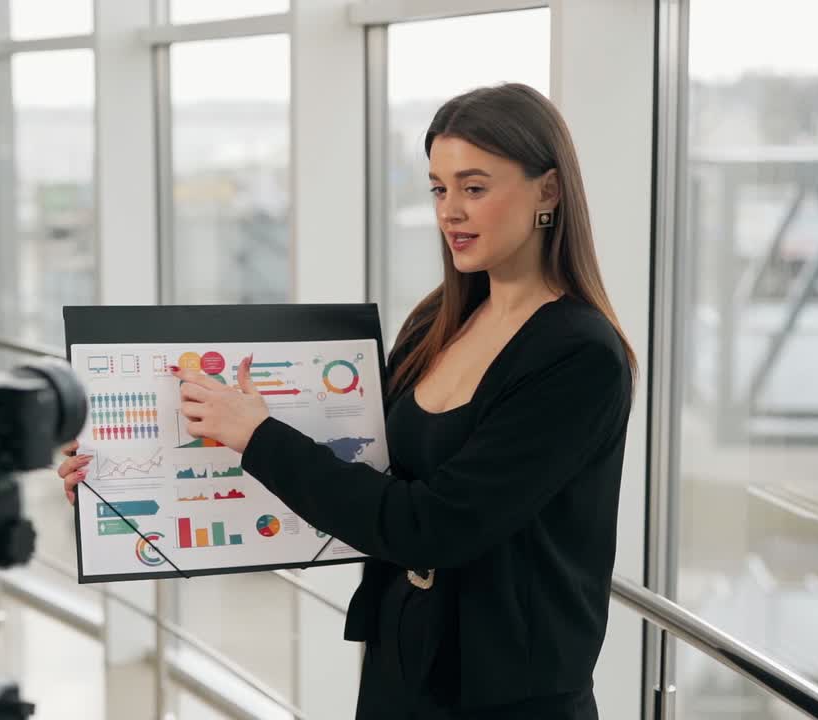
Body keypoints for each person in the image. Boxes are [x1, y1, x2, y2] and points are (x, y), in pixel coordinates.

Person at [60, 83, 635, 719]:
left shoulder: (580, 356)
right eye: (439, 188)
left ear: (548, 191)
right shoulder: (436, 322)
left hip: (508, 700)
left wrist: (259, 437)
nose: (451, 211)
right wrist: (118, 476)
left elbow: (431, 526)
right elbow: (355, 480)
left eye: (474, 187)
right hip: (402, 671)